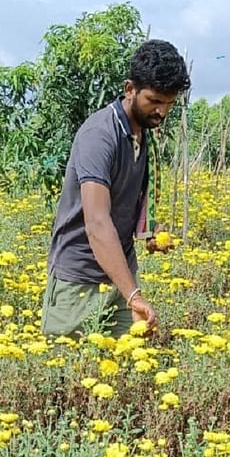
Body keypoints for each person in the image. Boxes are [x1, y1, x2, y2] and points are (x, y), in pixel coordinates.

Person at [41, 39, 190, 339]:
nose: (161, 112)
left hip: (119, 277)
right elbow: (97, 222)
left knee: (126, 372)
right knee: (70, 379)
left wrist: (149, 232)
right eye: (155, 101)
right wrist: (133, 295)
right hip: (78, 282)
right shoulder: (99, 135)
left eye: (169, 104)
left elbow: (130, 199)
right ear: (130, 88)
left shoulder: (142, 133)